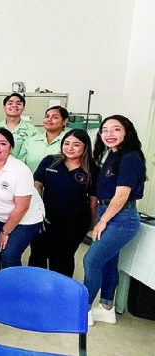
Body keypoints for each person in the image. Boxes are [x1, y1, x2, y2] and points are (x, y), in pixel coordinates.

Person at [0, 128, 45, 303]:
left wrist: (5, 232)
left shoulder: (20, 170)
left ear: (10, 148)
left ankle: (14, 294)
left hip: (27, 218)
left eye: (2, 143)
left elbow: (22, 207)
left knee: (8, 254)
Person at [84, 115, 145, 326]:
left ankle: (84, 311)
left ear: (127, 132)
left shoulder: (130, 157)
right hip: (108, 211)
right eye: (105, 130)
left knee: (91, 260)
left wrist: (102, 222)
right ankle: (106, 308)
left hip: (121, 218)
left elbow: (121, 195)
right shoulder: (113, 155)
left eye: (116, 129)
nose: (109, 134)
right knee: (109, 262)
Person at [29, 129, 98, 278]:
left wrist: (92, 225)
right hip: (46, 218)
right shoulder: (50, 161)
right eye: (66, 143)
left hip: (75, 221)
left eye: (76, 144)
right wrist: (38, 211)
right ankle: (35, 290)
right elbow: (37, 185)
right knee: (38, 253)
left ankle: (59, 293)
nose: (70, 148)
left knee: (62, 257)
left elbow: (93, 201)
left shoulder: (92, 169)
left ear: (85, 147)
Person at [20, 106, 70, 172]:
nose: (49, 120)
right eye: (47, 116)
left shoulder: (69, 142)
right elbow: (21, 165)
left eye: (55, 117)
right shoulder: (30, 141)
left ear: (65, 121)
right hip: (30, 181)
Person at [0, 93, 38, 160]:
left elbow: (34, 153)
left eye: (18, 104)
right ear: (4, 107)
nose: (14, 106)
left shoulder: (32, 130)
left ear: (23, 108)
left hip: (21, 167)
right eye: (10, 103)